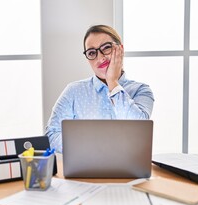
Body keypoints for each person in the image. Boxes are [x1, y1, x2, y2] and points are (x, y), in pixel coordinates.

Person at [45, 25, 154, 153]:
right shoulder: (73, 91)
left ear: (120, 50)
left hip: (128, 171)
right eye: (92, 52)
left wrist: (112, 82)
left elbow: (138, 130)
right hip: (84, 169)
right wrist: (92, 149)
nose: (100, 57)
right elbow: (51, 136)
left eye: (106, 48)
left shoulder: (141, 90)